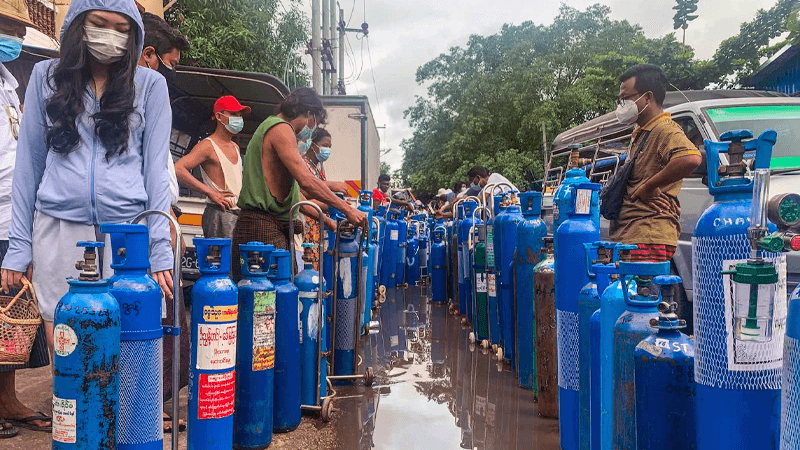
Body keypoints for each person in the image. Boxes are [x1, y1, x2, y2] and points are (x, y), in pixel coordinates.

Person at [0, 0, 173, 366]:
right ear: (79, 24)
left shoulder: (151, 86)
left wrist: (158, 249)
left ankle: (125, 421)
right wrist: (19, 247)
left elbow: (156, 173)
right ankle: (75, 419)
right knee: (66, 333)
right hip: (58, 225)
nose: (110, 35)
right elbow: (28, 168)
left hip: (127, 232)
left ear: (134, 36)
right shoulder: (47, 78)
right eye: (99, 23)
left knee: (127, 336)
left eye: (122, 29)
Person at [232, 87, 366, 281]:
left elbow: (298, 194)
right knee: (267, 302)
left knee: (276, 299)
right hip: (262, 229)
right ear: (309, 114)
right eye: (315, 122)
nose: (311, 129)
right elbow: (307, 181)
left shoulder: (272, 127)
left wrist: (328, 221)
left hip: (266, 227)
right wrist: (348, 210)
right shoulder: (281, 128)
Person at [137, 11, 190, 433]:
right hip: (141, 229)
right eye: (169, 63)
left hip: (159, 225)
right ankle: (141, 405)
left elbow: (161, 170)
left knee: (167, 322)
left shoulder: (152, 95)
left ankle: (151, 401)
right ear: (150, 54)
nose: (168, 72)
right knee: (152, 323)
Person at [0, 0, 51, 437]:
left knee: (13, 323)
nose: (12, 39)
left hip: (13, 222)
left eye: (17, 31)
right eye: (4, 29)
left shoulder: (11, 86)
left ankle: (7, 401)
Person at [609, 64, 701, 262]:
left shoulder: (665, 129)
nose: (621, 105)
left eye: (626, 98)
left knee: (639, 292)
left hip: (648, 235)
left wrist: (648, 187)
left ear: (647, 97)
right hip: (633, 234)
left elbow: (690, 157)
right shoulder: (643, 132)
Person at [174, 95, 248, 239]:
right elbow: (178, 169)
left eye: (240, 115)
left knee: (235, 260)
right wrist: (210, 192)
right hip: (219, 213)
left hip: (237, 213)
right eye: (233, 114)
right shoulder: (207, 145)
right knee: (220, 260)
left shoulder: (235, 147)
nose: (238, 118)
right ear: (219, 117)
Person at [298, 127, 341, 269]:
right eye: (325, 145)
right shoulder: (302, 165)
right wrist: (332, 202)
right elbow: (303, 194)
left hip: (318, 223)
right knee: (308, 267)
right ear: (312, 144)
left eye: (329, 146)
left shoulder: (318, 168)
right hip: (307, 223)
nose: (327, 149)